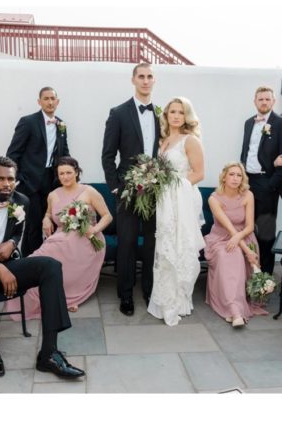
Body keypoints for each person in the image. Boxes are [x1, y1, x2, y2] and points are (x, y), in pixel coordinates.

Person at [0, 156, 83, 379]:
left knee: (50, 266)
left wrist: (11, 243)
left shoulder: (21, 201)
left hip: (3, 264)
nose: (6, 183)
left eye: (10, 179)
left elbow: (17, 231)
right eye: (0, 178)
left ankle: (49, 352)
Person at [3, 156, 112, 319]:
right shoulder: (53, 194)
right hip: (60, 238)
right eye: (61, 174)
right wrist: (46, 219)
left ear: (76, 172)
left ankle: (69, 297)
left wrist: (94, 230)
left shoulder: (89, 191)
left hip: (86, 239)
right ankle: (31, 291)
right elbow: (48, 213)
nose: (65, 177)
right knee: (37, 259)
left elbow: (107, 216)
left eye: (69, 172)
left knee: (55, 255)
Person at [102, 63, 161, 316]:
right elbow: (107, 155)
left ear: (154, 80)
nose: (145, 81)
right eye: (141, 77)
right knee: (126, 244)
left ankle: (150, 292)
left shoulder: (161, 113)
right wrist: (115, 188)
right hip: (126, 191)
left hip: (156, 191)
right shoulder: (118, 113)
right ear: (133, 80)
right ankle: (125, 295)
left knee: (151, 244)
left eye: (149, 77)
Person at [148, 97, 206, 326]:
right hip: (165, 201)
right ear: (166, 115)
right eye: (172, 111)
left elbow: (199, 173)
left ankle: (180, 299)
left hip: (181, 199)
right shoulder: (163, 140)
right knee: (165, 245)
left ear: (186, 116)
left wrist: (174, 188)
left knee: (181, 244)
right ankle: (163, 297)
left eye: (180, 112)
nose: (175, 116)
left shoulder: (190, 140)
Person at [6, 86, 70, 257]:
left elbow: (64, 154)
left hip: (52, 181)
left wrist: (70, 173)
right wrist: (18, 179)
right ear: (39, 102)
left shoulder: (61, 124)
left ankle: (49, 261)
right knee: (33, 226)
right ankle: (30, 264)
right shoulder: (28, 122)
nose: (50, 102)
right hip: (30, 182)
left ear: (58, 102)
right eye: (46, 98)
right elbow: (13, 154)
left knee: (53, 222)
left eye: (52, 99)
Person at [239, 86, 282, 275]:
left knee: (265, 231)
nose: (264, 102)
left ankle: (265, 277)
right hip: (247, 182)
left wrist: (271, 185)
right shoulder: (248, 123)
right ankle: (249, 270)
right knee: (246, 227)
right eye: (260, 99)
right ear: (255, 101)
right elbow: (246, 152)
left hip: (267, 183)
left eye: (267, 99)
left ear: (273, 101)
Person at [205, 162, 261, 327]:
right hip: (221, 238)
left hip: (244, 236)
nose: (235, 178)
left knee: (235, 253)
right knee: (229, 254)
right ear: (224, 176)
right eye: (232, 174)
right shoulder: (214, 199)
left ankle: (233, 309)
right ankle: (234, 310)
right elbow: (229, 228)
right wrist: (247, 252)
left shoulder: (248, 195)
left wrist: (240, 241)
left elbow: (250, 226)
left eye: (239, 175)